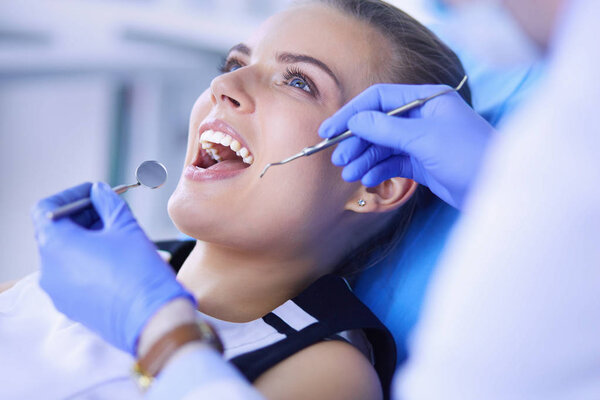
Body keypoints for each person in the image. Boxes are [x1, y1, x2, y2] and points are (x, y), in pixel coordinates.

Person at [0, 1, 476, 399]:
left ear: (374, 184)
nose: (223, 88)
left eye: (298, 81)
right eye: (234, 64)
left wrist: (156, 330)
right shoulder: (103, 272)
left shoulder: (325, 368)